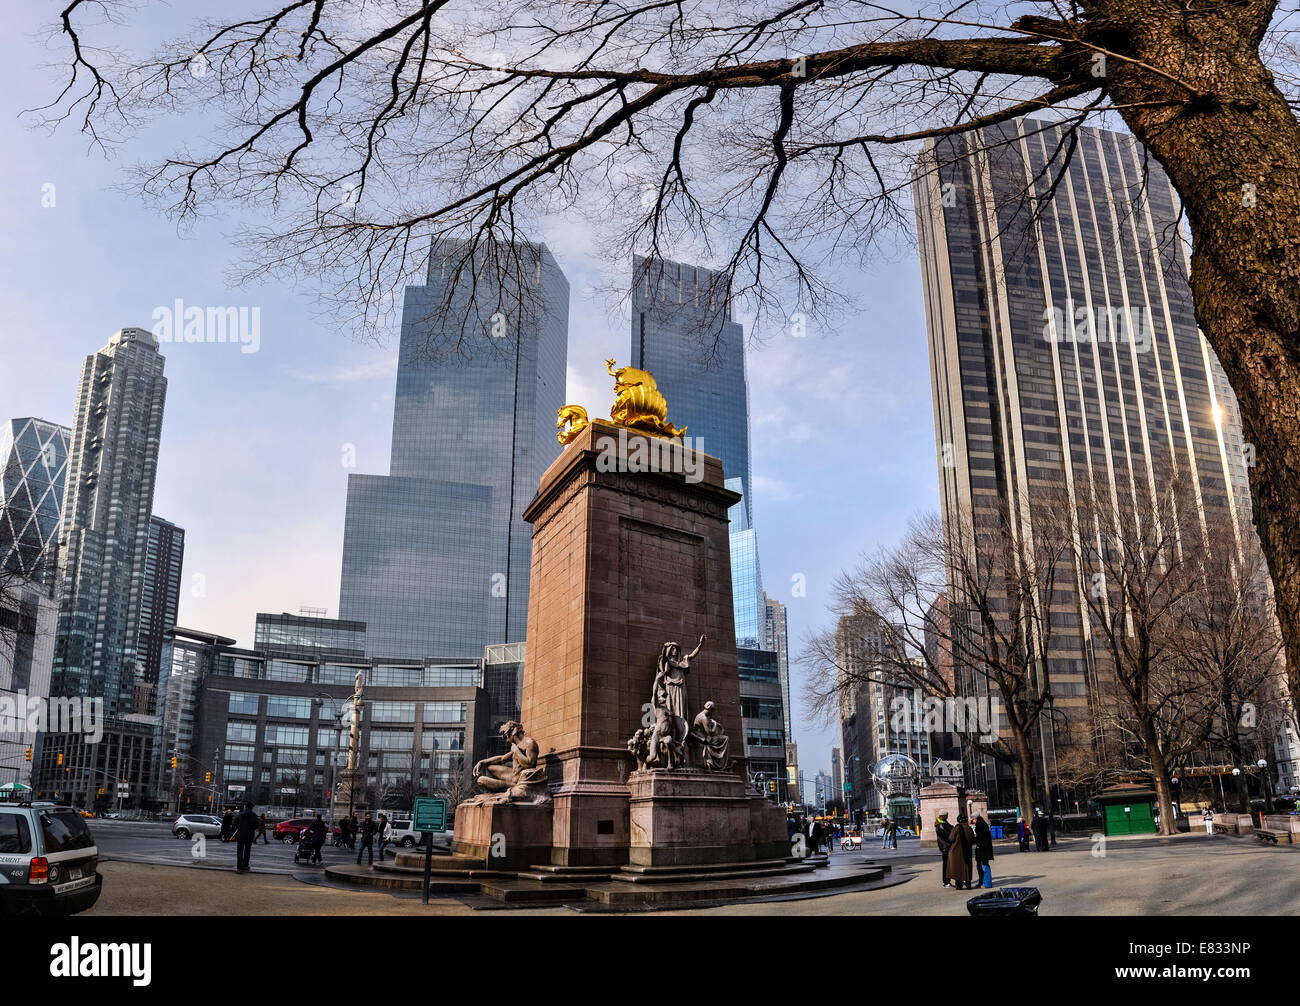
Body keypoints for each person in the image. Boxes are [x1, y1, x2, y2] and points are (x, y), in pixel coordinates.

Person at [946, 814, 975, 890]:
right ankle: (968, 884)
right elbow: (973, 839)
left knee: (958, 868)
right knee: (967, 867)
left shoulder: (957, 827)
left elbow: (951, 838)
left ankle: (959, 885)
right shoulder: (969, 828)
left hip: (956, 851)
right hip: (967, 850)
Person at [233, 803, 259, 872]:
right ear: (252, 808)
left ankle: (239, 867)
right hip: (249, 835)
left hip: (240, 834)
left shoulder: (240, 814)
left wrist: (238, 828)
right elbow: (256, 825)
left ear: (246, 807)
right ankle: (245, 865)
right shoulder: (253, 815)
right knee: (247, 851)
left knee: (240, 852)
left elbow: (234, 824)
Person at [973, 814, 995, 888]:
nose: (973, 821)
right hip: (984, 848)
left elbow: (980, 837)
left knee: (984, 866)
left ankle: (986, 883)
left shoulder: (980, 825)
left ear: (975, 818)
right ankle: (983, 882)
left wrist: (974, 839)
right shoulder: (982, 824)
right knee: (984, 865)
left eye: (973, 820)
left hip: (982, 849)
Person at [935, 813, 954, 888]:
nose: (948, 816)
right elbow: (948, 836)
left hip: (945, 846)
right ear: (943, 816)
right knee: (946, 865)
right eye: (947, 815)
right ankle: (946, 882)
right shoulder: (941, 825)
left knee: (947, 864)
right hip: (945, 846)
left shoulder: (943, 823)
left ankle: (947, 881)